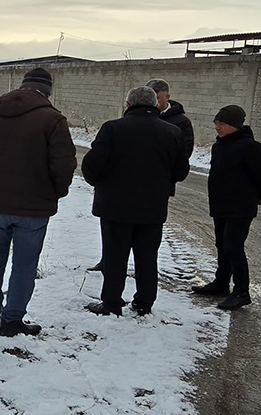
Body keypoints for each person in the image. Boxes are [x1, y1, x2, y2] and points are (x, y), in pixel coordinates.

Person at [0, 67, 77, 337]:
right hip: (33, 209)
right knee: (24, 264)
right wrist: (54, 193)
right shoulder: (53, 120)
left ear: (22, 86)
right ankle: (12, 320)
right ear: (48, 91)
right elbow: (63, 167)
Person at [81, 87, 189, 317]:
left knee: (114, 256)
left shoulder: (112, 128)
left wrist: (102, 184)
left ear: (128, 105)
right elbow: (181, 171)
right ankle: (144, 302)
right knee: (147, 257)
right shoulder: (172, 132)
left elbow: (91, 167)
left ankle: (111, 303)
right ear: (155, 105)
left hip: (114, 206)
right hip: (153, 207)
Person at [192, 105, 261, 310]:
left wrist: (257, 196)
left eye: (222, 123)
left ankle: (242, 292)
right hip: (221, 205)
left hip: (240, 207)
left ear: (235, 125)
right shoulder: (219, 146)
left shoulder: (250, 147)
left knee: (233, 247)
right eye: (216, 122)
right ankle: (221, 283)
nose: (217, 127)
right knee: (222, 245)